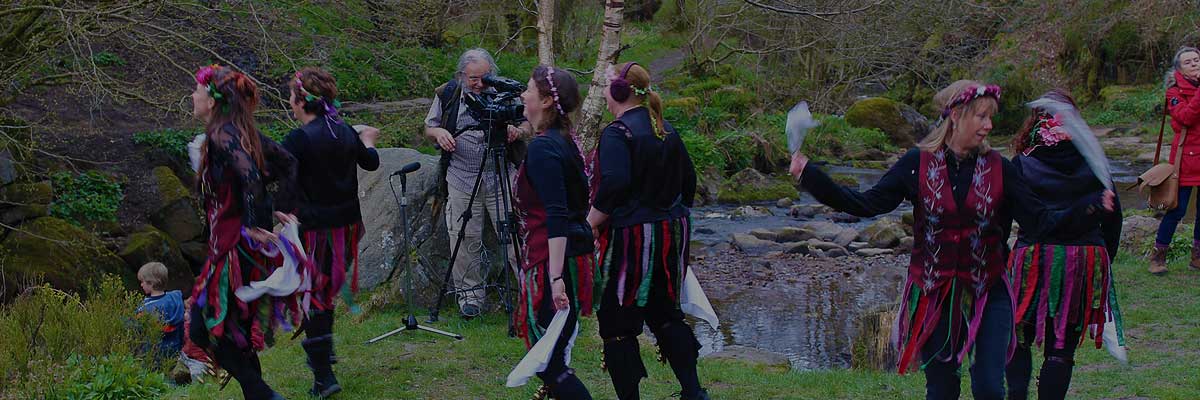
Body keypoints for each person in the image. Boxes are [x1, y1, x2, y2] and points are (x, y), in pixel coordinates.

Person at [787, 80, 1114, 400]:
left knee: (989, 389)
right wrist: (811, 176)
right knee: (942, 390)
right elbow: (865, 204)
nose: (988, 126)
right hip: (934, 294)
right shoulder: (916, 164)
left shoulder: (1001, 168)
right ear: (956, 115)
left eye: (991, 117)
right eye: (981, 116)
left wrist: (1092, 208)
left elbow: (1042, 223)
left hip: (990, 292)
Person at [587, 62, 707, 400]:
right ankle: (693, 392)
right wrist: (670, 215)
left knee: (617, 324)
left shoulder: (617, 132)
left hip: (630, 242)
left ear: (619, 92)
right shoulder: (664, 128)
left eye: (608, 86)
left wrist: (591, 222)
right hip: (671, 235)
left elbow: (614, 182)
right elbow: (689, 183)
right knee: (666, 313)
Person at [1004, 90, 1125, 400]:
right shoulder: (1095, 162)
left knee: (1018, 335)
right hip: (1083, 259)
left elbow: (1007, 218)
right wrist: (1103, 261)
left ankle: (1017, 395)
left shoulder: (1021, 164)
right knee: (1061, 347)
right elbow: (1114, 220)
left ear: (1034, 122)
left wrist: (1004, 257)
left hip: (1032, 258)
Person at [188, 64, 298, 400]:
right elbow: (289, 165)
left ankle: (263, 394)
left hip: (235, 247)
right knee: (234, 331)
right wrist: (278, 207)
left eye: (197, 91)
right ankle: (258, 395)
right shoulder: (241, 131)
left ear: (213, 100)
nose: (193, 96)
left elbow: (250, 176)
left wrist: (254, 223)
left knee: (203, 328)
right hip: (237, 243)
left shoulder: (223, 135)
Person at [281, 67, 380, 398]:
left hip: (316, 232)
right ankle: (325, 354)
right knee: (323, 293)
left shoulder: (298, 140)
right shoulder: (345, 130)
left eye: (291, 98)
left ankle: (323, 376)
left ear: (301, 100)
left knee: (313, 297)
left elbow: (280, 183)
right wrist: (367, 140)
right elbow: (371, 163)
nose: (290, 104)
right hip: (348, 229)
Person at [424, 48, 528, 318]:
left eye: (485, 77)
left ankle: (531, 296)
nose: (480, 84)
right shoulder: (448, 93)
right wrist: (439, 132)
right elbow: (429, 127)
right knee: (464, 238)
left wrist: (518, 130)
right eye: (473, 79)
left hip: (500, 175)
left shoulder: (504, 91)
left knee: (514, 238)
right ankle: (470, 299)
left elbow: (530, 122)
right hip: (461, 177)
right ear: (461, 76)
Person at [511, 65, 594, 399]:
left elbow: (557, 214)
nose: (523, 95)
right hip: (566, 255)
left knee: (551, 365)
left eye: (529, 89)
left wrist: (556, 277)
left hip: (554, 260)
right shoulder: (563, 141)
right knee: (552, 358)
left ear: (545, 101)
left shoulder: (545, 148)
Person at [1150, 46, 1200, 275]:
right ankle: (1158, 257)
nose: (1195, 64)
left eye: (1197, 60)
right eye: (1189, 62)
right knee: (1175, 209)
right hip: (1186, 160)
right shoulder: (1173, 92)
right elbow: (1185, 118)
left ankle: (1197, 257)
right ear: (1179, 68)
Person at [137, 262, 185, 359]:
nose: (141, 285)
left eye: (143, 282)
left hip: (154, 353)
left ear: (152, 283)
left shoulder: (147, 308)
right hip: (174, 350)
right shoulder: (175, 299)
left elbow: (138, 329)